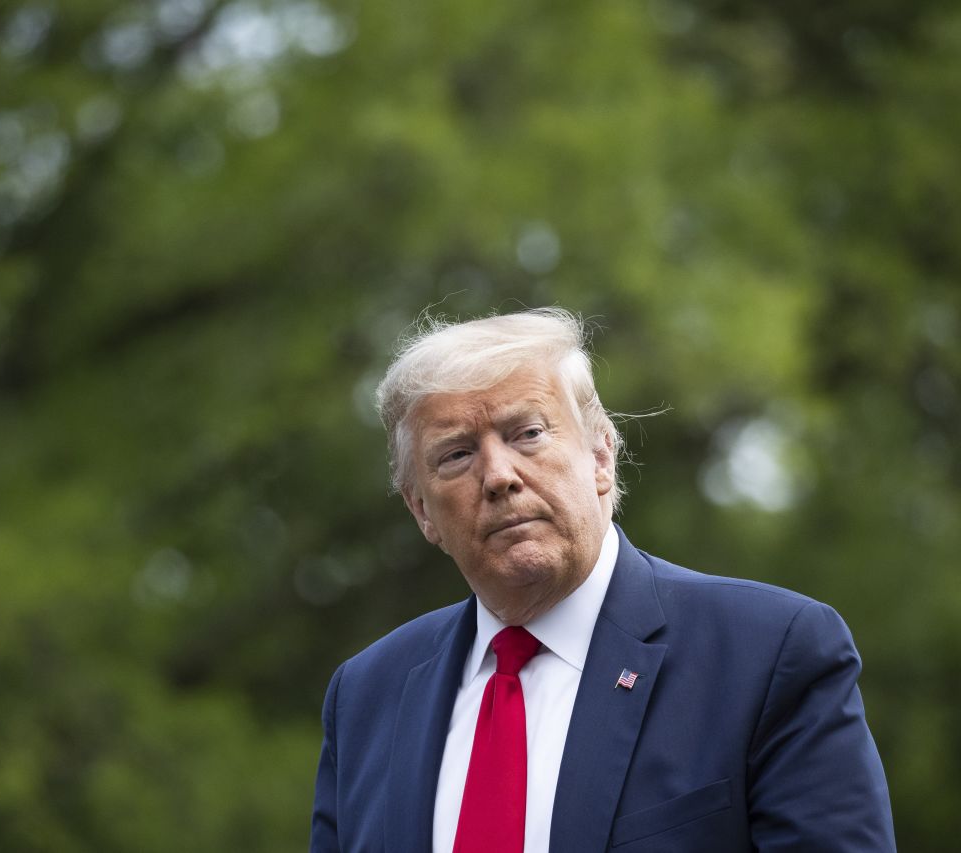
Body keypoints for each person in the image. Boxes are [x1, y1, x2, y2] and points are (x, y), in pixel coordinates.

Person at [309, 308, 894, 852]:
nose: (498, 476)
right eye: (457, 454)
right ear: (420, 511)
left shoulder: (767, 654)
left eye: (527, 433)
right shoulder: (365, 696)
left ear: (601, 456)